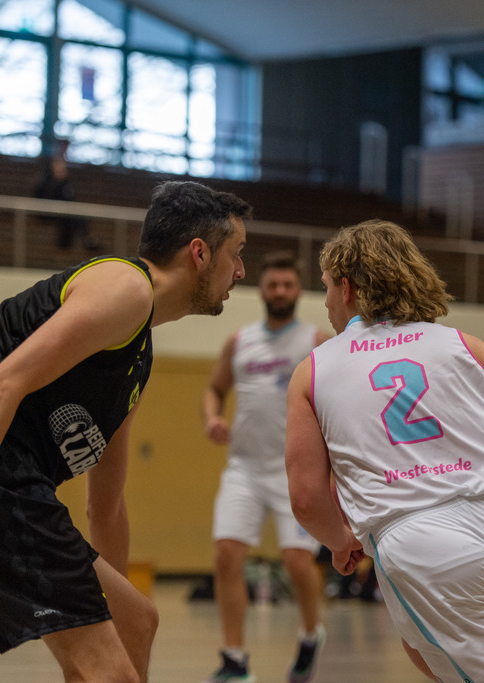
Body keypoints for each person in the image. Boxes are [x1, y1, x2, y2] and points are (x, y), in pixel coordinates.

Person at [0, 180, 250, 682]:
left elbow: (106, 506)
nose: (241, 271)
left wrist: (104, 606)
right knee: (110, 672)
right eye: (237, 253)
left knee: (136, 621)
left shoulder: (135, 356)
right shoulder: (126, 287)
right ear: (199, 253)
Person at [284, 219, 484, 683]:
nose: (324, 303)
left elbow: (305, 498)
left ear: (348, 288)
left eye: (325, 287)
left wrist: (341, 541)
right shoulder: (465, 345)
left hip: (425, 547)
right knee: (422, 647)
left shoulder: (313, 370)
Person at [202, 251, 328, 683]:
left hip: (295, 471)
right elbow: (214, 389)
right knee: (226, 554)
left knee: (296, 562)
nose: (280, 291)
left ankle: (310, 634)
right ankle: (234, 660)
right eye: (273, 284)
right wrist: (212, 418)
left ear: (298, 291)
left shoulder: (316, 341)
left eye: (287, 285)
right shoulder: (239, 340)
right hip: (244, 468)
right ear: (261, 290)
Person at [33, 152, 96, 250]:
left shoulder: (65, 183)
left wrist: (62, 182)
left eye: (63, 167)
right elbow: (44, 197)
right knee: (74, 218)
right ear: (53, 167)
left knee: (76, 217)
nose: (61, 169)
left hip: (63, 211)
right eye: (59, 166)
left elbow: (70, 198)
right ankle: (82, 241)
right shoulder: (46, 181)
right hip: (47, 211)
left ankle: (75, 242)